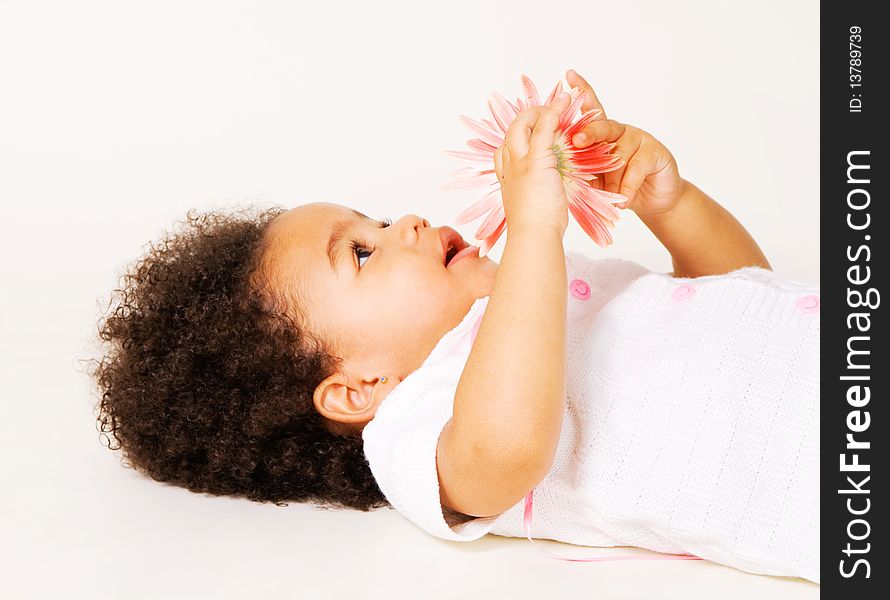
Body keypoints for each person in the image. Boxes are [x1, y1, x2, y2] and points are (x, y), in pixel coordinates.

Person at [92, 69, 818, 582]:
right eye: (364, 251)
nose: (403, 221)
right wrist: (533, 227)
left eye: (374, 216)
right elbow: (505, 453)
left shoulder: (534, 300)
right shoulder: (420, 423)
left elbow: (748, 300)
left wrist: (670, 201)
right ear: (358, 387)